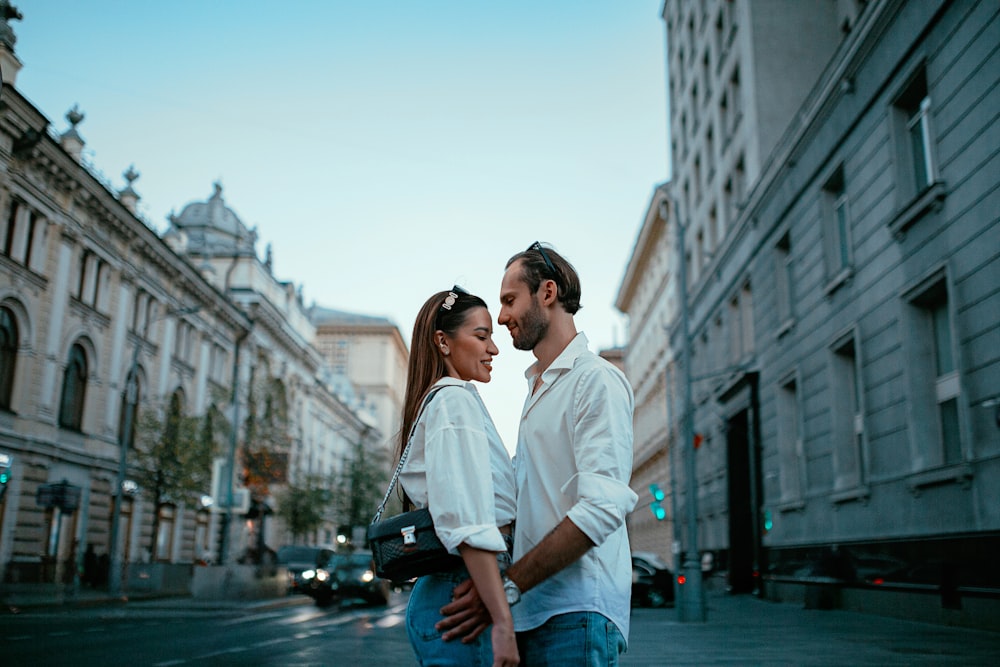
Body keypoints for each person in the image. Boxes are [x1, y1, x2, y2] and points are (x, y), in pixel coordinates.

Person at [438, 243, 638, 666]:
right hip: (537, 613)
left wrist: (509, 584)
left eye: (510, 301)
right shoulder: (539, 389)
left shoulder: (595, 380)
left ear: (547, 293)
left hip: (577, 615)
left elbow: (603, 508)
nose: (503, 317)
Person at [398, 286, 519, 667]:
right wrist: (503, 623)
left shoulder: (447, 400)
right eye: (481, 337)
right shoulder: (453, 400)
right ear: (443, 342)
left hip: (453, 593)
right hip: (460, 598)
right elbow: (468, 522)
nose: (493, 349)